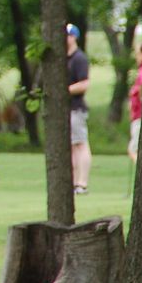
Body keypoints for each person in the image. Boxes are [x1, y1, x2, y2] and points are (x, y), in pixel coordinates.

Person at [66, 23, 91, 195]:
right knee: (72, 146)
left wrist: (65, 90)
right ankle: (75, 182)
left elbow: (85, 83)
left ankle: (82, 182)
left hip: (77, 108)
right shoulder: (65, 59)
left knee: (80, 144)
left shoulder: (79, 58)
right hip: (68, 109)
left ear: (74, 36)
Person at [128, 41, 142, 165]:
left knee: (133, 150)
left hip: (140, 116)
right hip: (138, 115)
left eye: (138, 54)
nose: (137, 57)